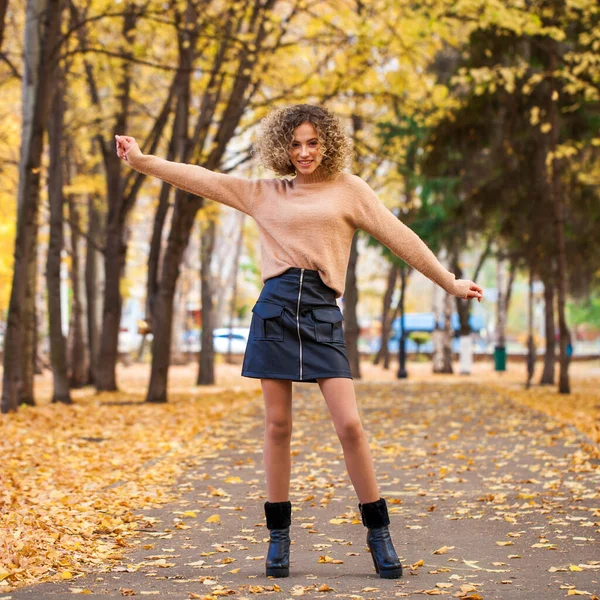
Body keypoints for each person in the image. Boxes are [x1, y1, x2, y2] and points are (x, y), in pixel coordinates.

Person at [115, 104, 483, 580]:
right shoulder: (264, 193)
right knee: (278, 426)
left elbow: (400, 236)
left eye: (312, 142)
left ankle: (379, 533)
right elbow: (200, 178)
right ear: (281, 149)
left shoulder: (351, 191)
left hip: (323, 313)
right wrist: (142, 160)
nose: (304, 152)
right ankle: (278, 539)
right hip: (275, 310)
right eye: (294, 144)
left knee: (349, 425)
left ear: (327, 142)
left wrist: (449, 282)